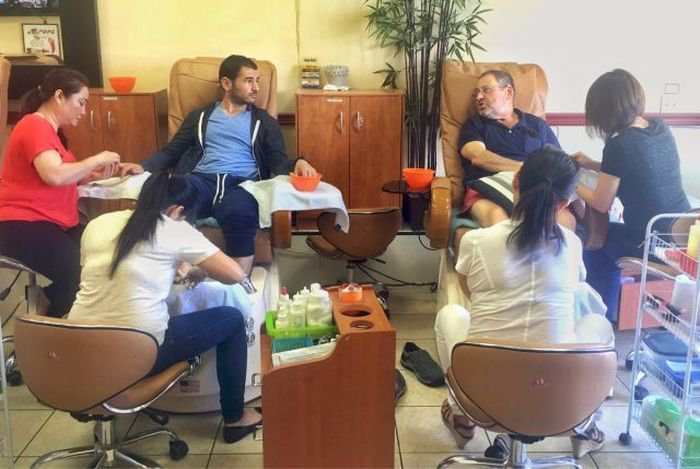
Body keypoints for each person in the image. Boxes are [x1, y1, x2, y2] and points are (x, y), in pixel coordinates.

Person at [434, 147, 613, 458]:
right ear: (564, 203)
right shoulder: (572, 245)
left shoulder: (476, 241)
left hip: (484, 397)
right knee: (596, 321)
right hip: (560, 401)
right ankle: (585, 428)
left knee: (452, 314)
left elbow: (470, 291)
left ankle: (461, 415)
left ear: (515, 182)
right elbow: (576, 289)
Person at [68, 172, 262, 444]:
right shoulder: (173, 228)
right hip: (132, 354)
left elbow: (114, 278)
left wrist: (175, 265)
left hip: (76, 351)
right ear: (177, 211)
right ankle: (235, 419)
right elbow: (235, 274)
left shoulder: (98, 224)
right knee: (231, 319)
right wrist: (200, 270)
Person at [120, 54, 317, 275]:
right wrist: (143, 166)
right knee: (170, 192)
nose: (256, 88)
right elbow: (172, 151)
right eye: (249, 81)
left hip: (242, 185)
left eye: (257, 81)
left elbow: (278, 161)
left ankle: (239, 280)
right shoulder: (199, 117)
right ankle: (176, 269)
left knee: (240, 211)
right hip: (201, 180)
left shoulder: (265, 122)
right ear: (226, 83)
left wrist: (299, 162)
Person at [0, 68, 123, 317]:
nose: (84, 110)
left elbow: (63, 175)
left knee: (100, 256)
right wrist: (97, 158)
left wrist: (94, 176)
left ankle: (52, 306)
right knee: (76, 272)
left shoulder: (51, 133)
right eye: (81, 102)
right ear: (59, 96)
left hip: (52, 222)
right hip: (21, 222)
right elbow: (54, 175)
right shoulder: (33, 126)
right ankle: (49, 320)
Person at [573, 69, 690, 323]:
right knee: (604, 238)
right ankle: (605, 317)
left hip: (651, 243)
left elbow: (601, 203)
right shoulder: (659, 127)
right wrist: (591, 164)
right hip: (683, 236)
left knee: (593, 242)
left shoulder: (619, 144)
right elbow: (635, 170)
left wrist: (572, 182)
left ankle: (601, 320)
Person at [457, 70, 561, 244]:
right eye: (476, 93)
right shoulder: (474, 125)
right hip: (487, 189)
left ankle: (544, 262)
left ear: (508, 92)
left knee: (564, 220)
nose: (479, 97)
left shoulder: (537, 125)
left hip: (532, 188)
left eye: (486, 90)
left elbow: (558, 163)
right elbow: (478, 157)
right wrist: (524, 168)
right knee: (499, 222)